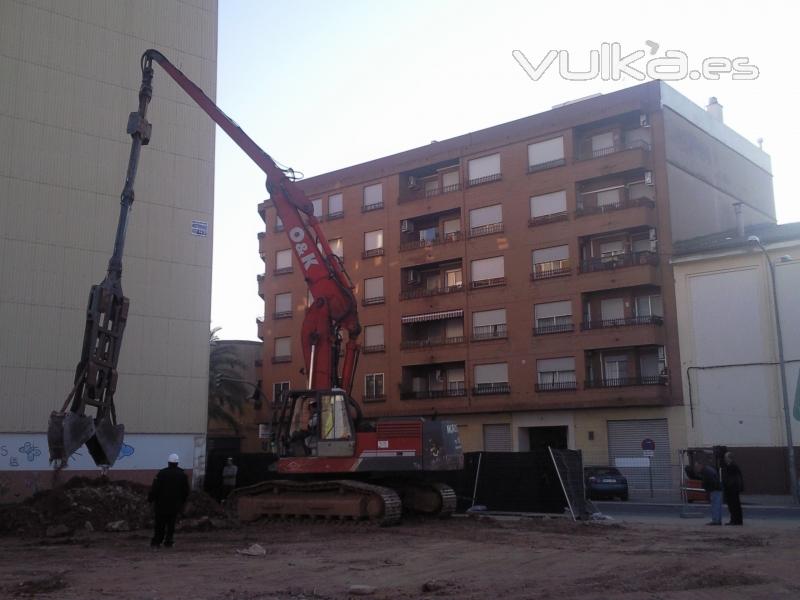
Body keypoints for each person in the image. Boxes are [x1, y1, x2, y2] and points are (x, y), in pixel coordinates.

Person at [148, 453, 190, 549]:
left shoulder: (161, 473)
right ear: (177, 463)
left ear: (168, 462)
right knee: (171, 524)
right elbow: (186, 491)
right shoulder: (182, 475)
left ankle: (157, 542)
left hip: (161, 504)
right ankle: (169, 541)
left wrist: (150, 499)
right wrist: (182, 502)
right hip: (175, 504)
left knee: (159, 523)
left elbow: (155, 488)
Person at [694, 460, 723, 525]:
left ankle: (716, 521)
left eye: (696, 466)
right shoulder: (707, 470)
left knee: (715, 506)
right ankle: (717, 520)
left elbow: (711, 481)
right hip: (717, 489)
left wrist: (709, 489)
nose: (696, 468)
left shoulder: (706, 471)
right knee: (717, 506)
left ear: (700, 465)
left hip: (715, 490)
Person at [722, 451, 744, 525]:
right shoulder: (731, 466)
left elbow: (732, 479)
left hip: (732, 489)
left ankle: (735, 520)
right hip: (733, 488)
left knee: (734, 505)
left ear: (729, 458)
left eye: (726, 457)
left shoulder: (732, 466)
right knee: (734, 505)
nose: (724, 459)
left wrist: (728, 486)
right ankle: (735, 520)